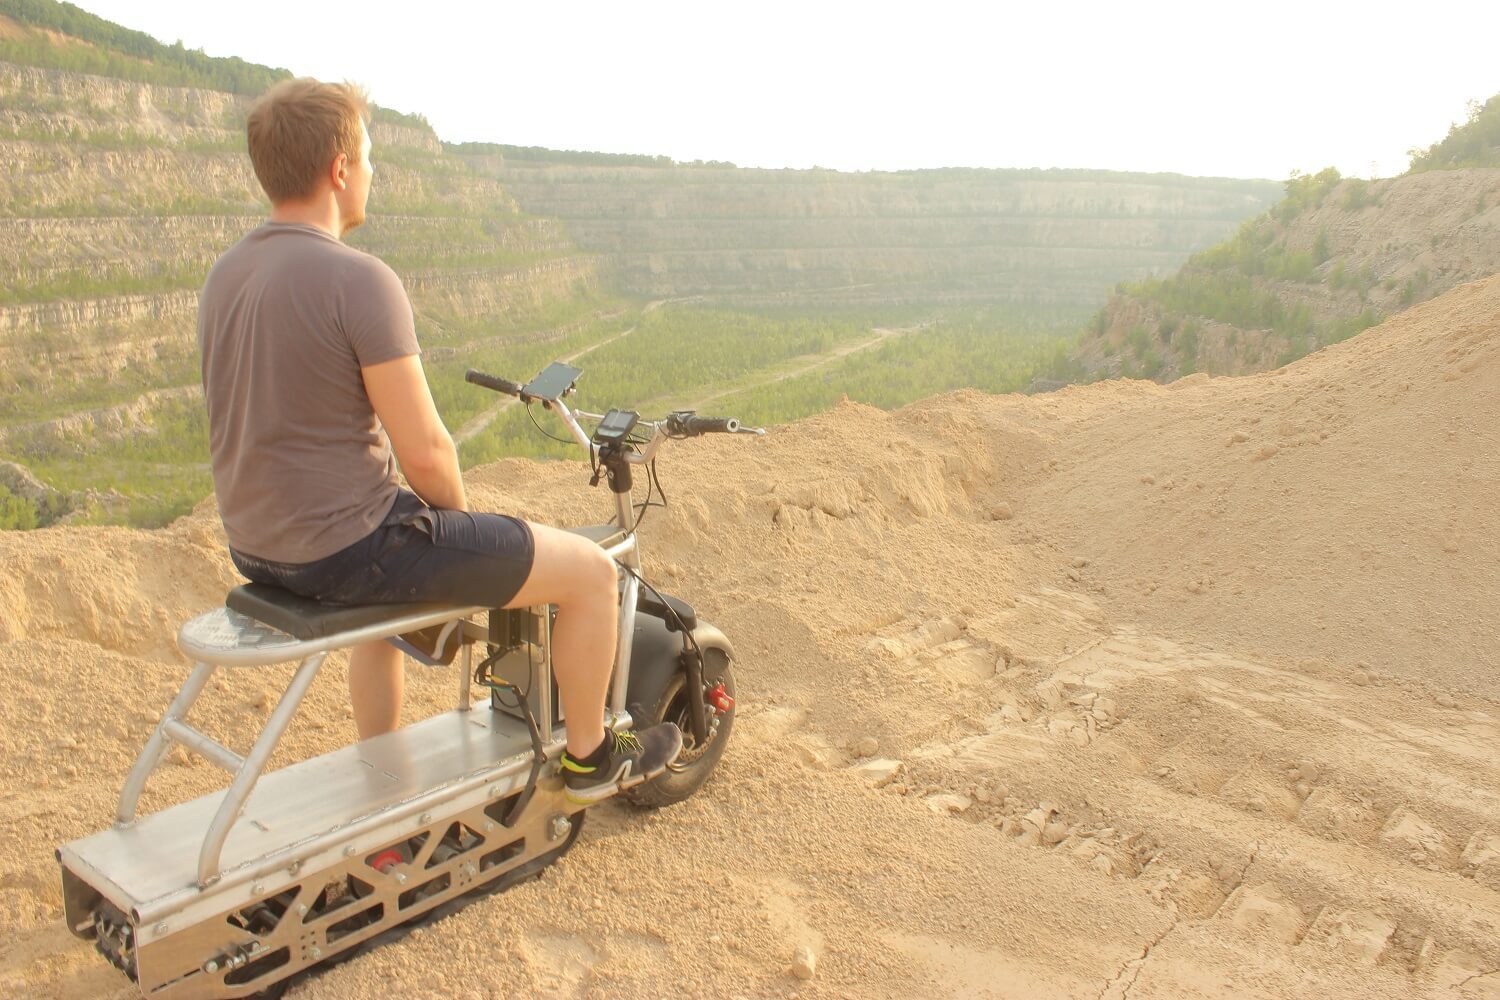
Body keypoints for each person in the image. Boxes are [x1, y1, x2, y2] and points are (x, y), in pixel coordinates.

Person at [197, 78, 681, 805]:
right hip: (348, 550)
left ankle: (381, 779)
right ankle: (590, 756)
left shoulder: (225, 274)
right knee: (587, 574)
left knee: (381, 610)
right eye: (367, 160)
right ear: (338, 169)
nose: (370, 176)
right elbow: (425, 449)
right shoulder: (358, 279)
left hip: (257, 546)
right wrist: (460, 534)